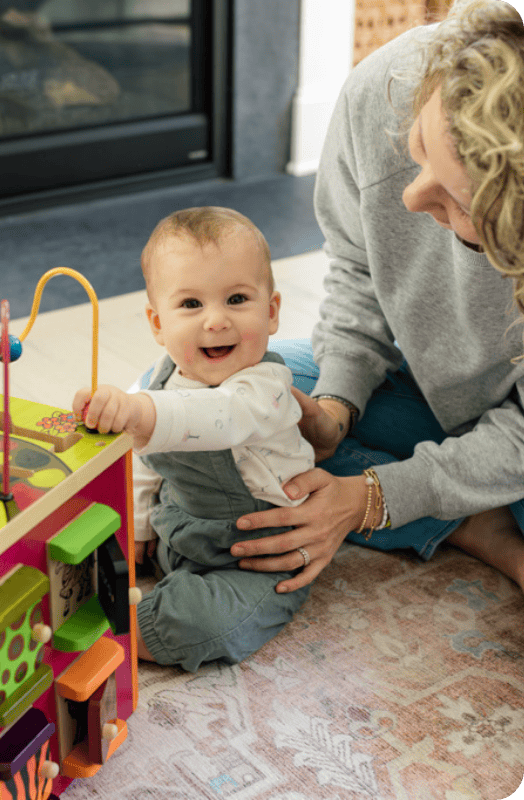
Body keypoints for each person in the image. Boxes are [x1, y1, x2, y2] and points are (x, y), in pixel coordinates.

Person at [227, 0, 524, 596]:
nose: (412, 200)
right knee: (211, 391)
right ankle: (467, 520)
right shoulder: (382, 87)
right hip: (423, 392)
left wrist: (371, 499)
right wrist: (337, 405)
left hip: (512, 430)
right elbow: (359, 271)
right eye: (420, 146)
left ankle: (470, 519)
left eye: (460, 208)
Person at [73, 207, 315, 671]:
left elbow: (221, 417)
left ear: (272, 311)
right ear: (157, 323)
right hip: (180, 528)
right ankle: (105, 589)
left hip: (259, 554)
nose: (216, 321)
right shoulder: (163, 382)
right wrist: (140, 526)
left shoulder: (266, 386)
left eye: (237, 299)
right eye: (191, 305)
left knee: (204, 623)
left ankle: (132, 626)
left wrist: (139, 411)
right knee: (100, 539)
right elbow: (149, 460)